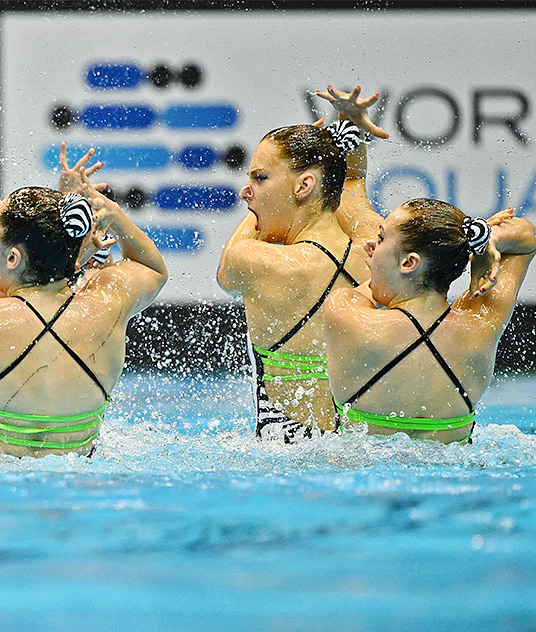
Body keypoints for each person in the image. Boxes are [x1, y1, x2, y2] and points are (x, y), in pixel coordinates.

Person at [0, 144, 168, 457]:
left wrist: (71, 252)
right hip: (82, 474)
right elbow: (152, 268)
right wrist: (111, 214)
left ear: (13, 257)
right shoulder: (107, 302)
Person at [217, 86, 388, 441]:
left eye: (260, 178)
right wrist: (345, 136)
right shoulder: (374, 247)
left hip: (288, 453)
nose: (245, 190)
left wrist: (259, 209)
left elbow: (225, 271)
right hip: (364, 446)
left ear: (304, 185)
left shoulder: (258, 262)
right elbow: (353, 182)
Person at [324, 202, 534, 443]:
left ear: (408, 263)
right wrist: (486, 240)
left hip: (361, 472)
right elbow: (527, 237)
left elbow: (373, 290)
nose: (368, 246)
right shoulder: (480, 322)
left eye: (381, 239)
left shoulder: (346, 313)